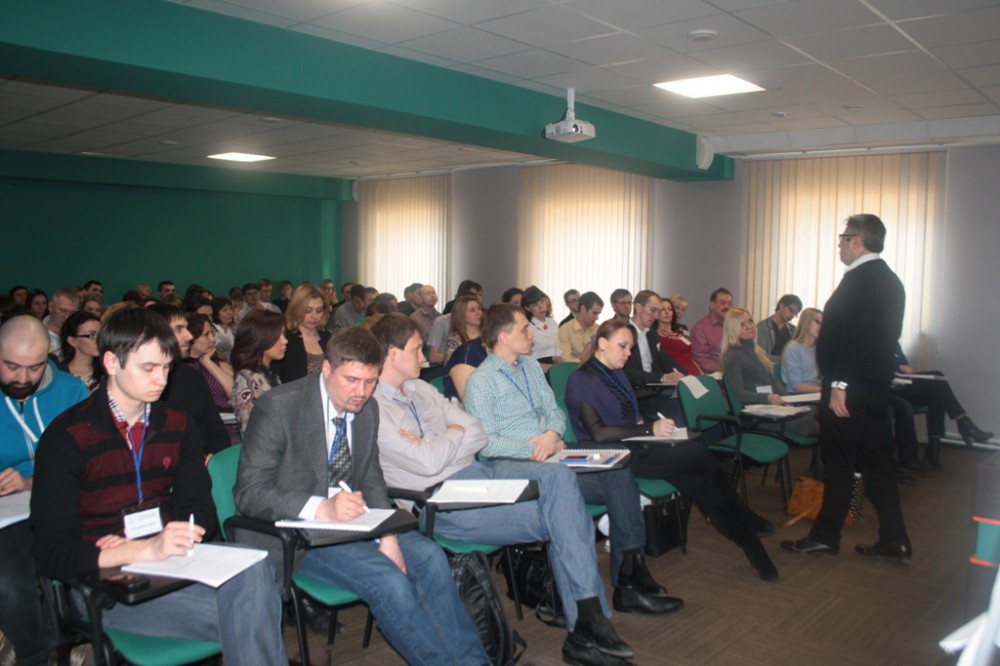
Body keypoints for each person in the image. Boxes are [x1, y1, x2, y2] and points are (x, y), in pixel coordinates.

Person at [370, 314, 649, 664]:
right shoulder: (374, 408)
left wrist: (442, 438)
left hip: (477, 473)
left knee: (561, 482)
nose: (425, 357)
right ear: (391, 353)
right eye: (415, 350)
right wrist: (453, 434)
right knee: (566, 514)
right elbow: (426, 463)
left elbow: (476, 432)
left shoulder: (421, 389)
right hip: (440, 500)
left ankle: (587, 623)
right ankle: (587, 626)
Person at [30, 308, 286, 664]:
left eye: (166, 367)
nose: (161, 380)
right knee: (255, 610)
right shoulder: (68, 438)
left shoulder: (177, 426)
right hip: (107, 585)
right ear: (111, 362)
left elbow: (200, 511)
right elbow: (51, 554)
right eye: (148, 368)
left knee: (255, 568)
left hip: (172, 567)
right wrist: (138, 550)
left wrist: (173, 536)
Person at [234, 327, 489, 666]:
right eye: (352, 380)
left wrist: (388, 535)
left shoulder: (368, 409)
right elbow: (249, 493)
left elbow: (371, 478)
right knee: (389, 581)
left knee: (430, 557)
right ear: (327, 369)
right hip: (298, 533)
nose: (361, 392)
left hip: (356, 521)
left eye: (370, 382)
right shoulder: (280, 407)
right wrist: (322, 508)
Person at [465, 305, 681, 620]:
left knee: (618, 468)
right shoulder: (481, 382)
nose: (531, 334)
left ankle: (630, 575)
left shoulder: (530, 366)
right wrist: (534, 448)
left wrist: (552, 434)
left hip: (555, 453)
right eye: (524, 328)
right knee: (618, 483)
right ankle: (628, 581)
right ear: (504, 337)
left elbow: (555, 412)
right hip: (520, 466)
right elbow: (487, 444)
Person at [565, 319, 778, 582]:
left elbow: (629, 417)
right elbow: (598, 433)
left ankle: (752, 547)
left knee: (700, 484)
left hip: (638, 446)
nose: (628, 353)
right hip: (615, 456)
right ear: (602, 343)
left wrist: (653, 428)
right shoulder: (581, 380)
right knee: (699, 454)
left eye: (630, 347)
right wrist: (649, 430)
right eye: (622, 346)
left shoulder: (615, 373)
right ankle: (746, 522)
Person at [781, 214, 912, 562]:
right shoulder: (891, 280)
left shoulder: (859, 281)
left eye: (843, 238)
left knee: (838, 462)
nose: (839, 245)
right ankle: (896, 540)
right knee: (878, 465)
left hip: (849, 391)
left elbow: (855, 338)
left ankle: (825, 537)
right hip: (875, 388)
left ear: (858, 241)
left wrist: (839, 383)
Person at [0, 316, 88, 665]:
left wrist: (30, 481)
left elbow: (85, 461)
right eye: (11, 366)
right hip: (10, 515)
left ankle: (79, 632)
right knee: (10, 583)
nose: (22, 378)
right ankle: (36, 652)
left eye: (35, 367)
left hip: (66, 501)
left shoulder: (71, 391)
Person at [147, 303, 231, 455]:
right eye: (179, 329)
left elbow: (216, 430)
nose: (189, 336)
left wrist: (216, 459)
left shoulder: (192, 376)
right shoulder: (141, 383)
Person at [892, 343, 992, 467]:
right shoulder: (877, 341)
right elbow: (878, 368)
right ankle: (961, 425)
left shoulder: (895, 343)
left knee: (937, 393)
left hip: (903, 384)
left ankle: (934, 448)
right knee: (938, 377)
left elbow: (907, 368)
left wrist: (904, 368)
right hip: (889, 388)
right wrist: (896, 368)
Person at [720, 308, 814, 436]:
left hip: (772, 408)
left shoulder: (758, 351)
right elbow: (738, 393)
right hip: (757, 416)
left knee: (816, 413)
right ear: (732, 329)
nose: (749, 327)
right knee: (815, 421)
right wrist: (767, 397)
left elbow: (773, 381)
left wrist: (786, 399)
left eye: (750, 321)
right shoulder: (733, 355)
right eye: (742, 325)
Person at [623, 291, 685, 421]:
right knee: (681, 406)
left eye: (658, 311)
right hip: (636, 393)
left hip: (653, 389)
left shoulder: (651, 333)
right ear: (638, 308)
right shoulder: (623, 333)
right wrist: (662, 377)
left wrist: (687, 377)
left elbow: (665, 360)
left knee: (690, 398)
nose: (656, 316)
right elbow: (628, 373)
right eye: (653, 310)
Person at [231, 310, 287, 432]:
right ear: (261, 339)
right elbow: (254, 430)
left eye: (283, 335)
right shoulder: (247, 381)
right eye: (278, 336)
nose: (285, 341)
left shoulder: (268, 374)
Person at [277, 282, 331, 384]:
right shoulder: (285, 339)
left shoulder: (329, 337)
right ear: (296, 309)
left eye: (319, 310)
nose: (314, 316)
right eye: (308, 310)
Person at [184, 313, 234, 413]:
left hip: (228, 414)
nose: (212, 339)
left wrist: (207, 361)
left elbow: (234, 392)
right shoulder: (182, 368)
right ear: (191, 337)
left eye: (212, 333)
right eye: (206, 335)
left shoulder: (217, 361)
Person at [57, 311, 104, 393]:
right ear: (72, 341)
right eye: (91, 335)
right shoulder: (58, 374)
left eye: (100, 335)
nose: (98, 340)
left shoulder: (107, 373)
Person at [689, 287, 733, 373]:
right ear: (711, 305)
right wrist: (726, 368)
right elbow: (701, 360)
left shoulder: (735, 326)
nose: (726, 306)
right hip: (716, 376)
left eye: (729, 303)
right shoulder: (700, 329)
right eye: (722, 303)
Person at [780, 308, 823, 393]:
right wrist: (825, 391)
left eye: (823, 323)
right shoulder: (793, 348)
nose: (821, 327)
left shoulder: (819, 348)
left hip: (817, 394)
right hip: (798, 397)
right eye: (817, 322)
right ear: (806, 322)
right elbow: (797, 387)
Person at [655, 297, 701, 376]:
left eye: (670, 309)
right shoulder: (654, 336)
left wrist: (701, 372)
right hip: (678, 376)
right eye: (662, 309)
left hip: (696, 374)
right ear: (656, 313)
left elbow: (690, 356)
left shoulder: (680, 333)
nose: (667, 312)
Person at [436, 295, 483, 365]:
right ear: (462, 315)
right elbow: (450, 366)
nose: (478, 313)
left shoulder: (489, 335)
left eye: (479, 309)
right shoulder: (454, 340)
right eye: (472, 310)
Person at [559, 291, 603, 362]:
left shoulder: (598, 329)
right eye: (594, 313)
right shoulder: (565, 330)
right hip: (574, 368)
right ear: (583, 309)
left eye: (598, 314)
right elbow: (565, 359)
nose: (597, 318)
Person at [523, 286, 562, 365]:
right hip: (534, 366)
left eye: (542, 301)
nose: (541, 307)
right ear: (528, 308)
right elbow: (525, 358)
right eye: (535, 305)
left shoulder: (552, 323)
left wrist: (559, 367)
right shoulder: (526, 327)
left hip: (553, 366)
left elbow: (558, 352)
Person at [756, 294, 802, 360]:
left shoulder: (793, 330)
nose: (792, 315)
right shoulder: (762, 327)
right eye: (791, 311)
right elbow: (761, 355)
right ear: (781, 305)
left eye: (795, 314)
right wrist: (784, 360)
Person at [43, 288, 80, 359]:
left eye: (72, 313)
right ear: (51, 306)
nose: (67, 316)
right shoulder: (35, 333)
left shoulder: (79, 335)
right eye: (62, 311)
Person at [210, 296, 236, 362]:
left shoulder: (231, 330)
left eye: (231, 309)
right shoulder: (212, 330)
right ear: (216, 313)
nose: (229, 313)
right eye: (225, 310)